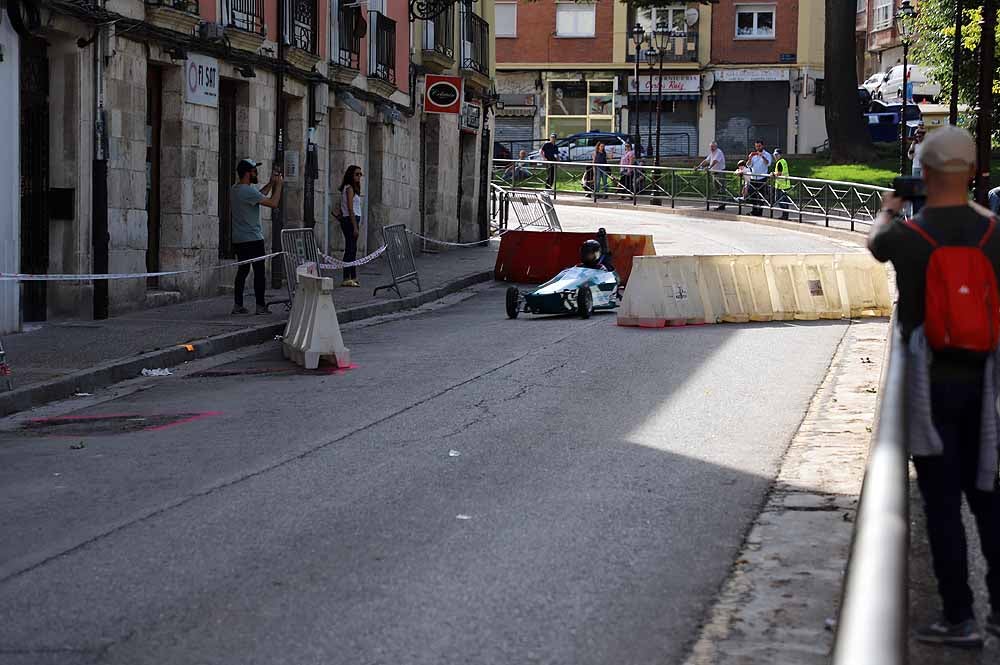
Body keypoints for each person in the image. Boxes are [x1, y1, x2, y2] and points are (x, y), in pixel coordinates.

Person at [868, 125, 1000, 650]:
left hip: (929, 384)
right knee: (989, 496)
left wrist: (890, 207)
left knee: (941, 501)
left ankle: (959, 616)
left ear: (923, 174)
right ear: (971, 172)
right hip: (988, 387)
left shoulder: (909, 235)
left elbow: (877, 244)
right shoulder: (995, 233)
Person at [230, 158, 283, 315]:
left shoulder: (236, 189)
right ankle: (260, 306)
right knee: (259, 273)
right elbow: (273, 203)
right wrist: (279, 185)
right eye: (254, 171)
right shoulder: (247, 191)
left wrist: (270, 183)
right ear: (247, 173)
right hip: (253, 238)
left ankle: (238, 304)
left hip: (239, 238)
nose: (256, 173)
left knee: (243, 271)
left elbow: (258, 196)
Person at [338, 165, 364, 287]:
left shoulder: (354, 188)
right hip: (350, 220)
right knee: (350, 248)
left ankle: (353, 276)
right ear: (351, 175)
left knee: (353, 249)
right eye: (356, 174)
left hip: (353, 219)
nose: (359, 177)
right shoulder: (349, 189)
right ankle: (346, 277)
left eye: (360, 174)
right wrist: (354, 226)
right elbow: (350, 208)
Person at [697, 140, 728, 211]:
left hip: (720, 173)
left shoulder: (718, 152)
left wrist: (709, 167)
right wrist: (698, 166)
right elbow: (706, 160)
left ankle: (722, 204)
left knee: (721, 188)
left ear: (716, 147)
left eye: (713, 147)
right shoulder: (712, 153)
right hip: (714, 173)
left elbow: (715, 161)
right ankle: (720, 203)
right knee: (717, 189)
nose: (711, 148)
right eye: (711, 147)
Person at [746, 142, 772, 216]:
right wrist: (750, 158)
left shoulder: (767, 154)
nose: (758, 148)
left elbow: (768, 163)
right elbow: (748, 165)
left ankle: (760, 212)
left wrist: (762, 156)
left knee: (761, 195)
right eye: (756, 146)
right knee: (752, 194)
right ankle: (754, 210)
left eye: (759, 146)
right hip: (753, 177)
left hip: (762, 178)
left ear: (762, 146)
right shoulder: (753, 155)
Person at [771, 148, 793, 220]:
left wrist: (773, 174)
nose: (775, 156)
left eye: (777, 155)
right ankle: (785, 215)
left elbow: (779, 173)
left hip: (781, 185)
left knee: (778, 200)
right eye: (775, 155)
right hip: (785, 183)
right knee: (784, 201)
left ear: (780, 155)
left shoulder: (780, 162)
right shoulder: (784, 161)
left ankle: (785, 215)